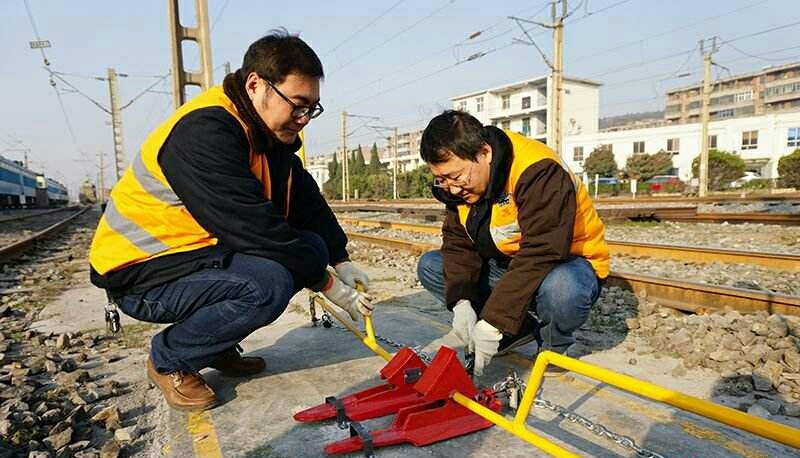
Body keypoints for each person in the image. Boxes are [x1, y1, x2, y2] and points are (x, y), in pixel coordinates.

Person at [88, 29, 372, 411]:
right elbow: (254, 228)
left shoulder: (267, 134)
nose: (304, 119)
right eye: (298, 105)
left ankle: (215, 344)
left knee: (312, 247)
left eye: (312, 108)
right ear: (256, 85)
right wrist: (326, 282)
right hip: (144, 274)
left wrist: (339, 258)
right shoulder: (205, 133)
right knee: (268, 283)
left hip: (194, 257)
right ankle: (168, 358)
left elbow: (303, 196)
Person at [416, 110, 609, 376]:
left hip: (565, 263)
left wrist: (493, 319)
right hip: (510, 263)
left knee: (563, 289)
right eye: (442, 179)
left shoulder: (538, 170)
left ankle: (553, 346)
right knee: (432, 266)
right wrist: (462, 302)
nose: (453, 188)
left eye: (457, 177)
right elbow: (459, 245)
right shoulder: (460, 189)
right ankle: (515, 332)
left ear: (484, 153)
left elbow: (543, 250)